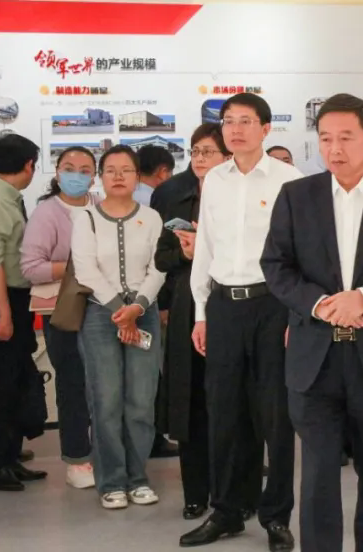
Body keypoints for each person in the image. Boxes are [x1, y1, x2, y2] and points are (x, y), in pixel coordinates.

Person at [262, 93, 363, 552]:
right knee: (317, 477)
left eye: (346, 138)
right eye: (326, 138)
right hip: (315, 358)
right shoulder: (297, 196)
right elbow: (276, 265)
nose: (334, 149)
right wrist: (318, 304)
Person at [183, 94, 299, 551]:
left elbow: (302, 255)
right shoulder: (215, 178)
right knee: (225, 413)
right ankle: (228, 510)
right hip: (224, 307)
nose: (235, 129)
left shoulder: (290, 180)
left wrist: (296, 314)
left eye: (245, 121)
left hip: (273, 306)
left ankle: (276, 516)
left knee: (275, 416)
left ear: (266, 128)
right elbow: (206, 248)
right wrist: (201, 311)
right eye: (228, 121)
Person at [71, 145, 166, 510]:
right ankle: (111, 481)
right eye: (110, 170)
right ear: (100, 177)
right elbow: (86, 269)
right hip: (101, 316)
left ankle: (137, 478)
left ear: (137, 176)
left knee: (141, 401)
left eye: (126, 170)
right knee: (106, 401)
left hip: (144, 313)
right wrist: (119, 310)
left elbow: (159, 267)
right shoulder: (86, 218)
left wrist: (137, 307)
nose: (118, 176)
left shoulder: (152, 218)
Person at [154, 124, 228, 521]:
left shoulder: (238, 198)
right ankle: (195, 493)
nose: (199, 159)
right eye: (196, 151)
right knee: (190, 401)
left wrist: (208, 250)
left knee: (229, 402)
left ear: (228, 157)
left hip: (228, 306)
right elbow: (160, 258)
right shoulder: (177, 198)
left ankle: (231, 492)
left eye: (208, 152)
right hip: (186, 308)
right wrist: (185, 254)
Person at [0, 133, 48, 492]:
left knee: (14, 381)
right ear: (29, 165)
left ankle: (11, 458)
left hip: (14, 297)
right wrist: (3, 313)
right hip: (1, 299)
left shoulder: (7, 198)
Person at [20, 146, 99, 490]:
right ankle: (77, 459)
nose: (76, 175)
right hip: (63, 312)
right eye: (69, 168)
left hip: (102, 309)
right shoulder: (47, 213)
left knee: (103, 385)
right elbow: (31, 268)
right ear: (56, 173)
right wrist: (76, 265)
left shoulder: (101, 207)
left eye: (85, 170)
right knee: (73, 385)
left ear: (94, 176)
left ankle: (105, 453)